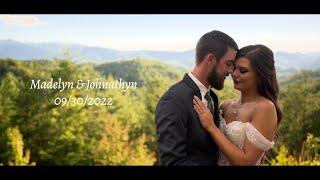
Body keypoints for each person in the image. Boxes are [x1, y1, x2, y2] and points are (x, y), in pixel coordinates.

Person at [155, 30, 238, 165]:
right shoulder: (173, 100)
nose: (231, 71)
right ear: (211, 59)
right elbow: (173, 162)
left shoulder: (212, 97)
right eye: (228, 64)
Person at [193, 44, 282, 165]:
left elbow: (246, 162)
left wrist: (211, 127)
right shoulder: (225, 106)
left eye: (243, 70)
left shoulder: (265, 108)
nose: (234, 74)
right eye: (234, 68)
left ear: (261, 75)